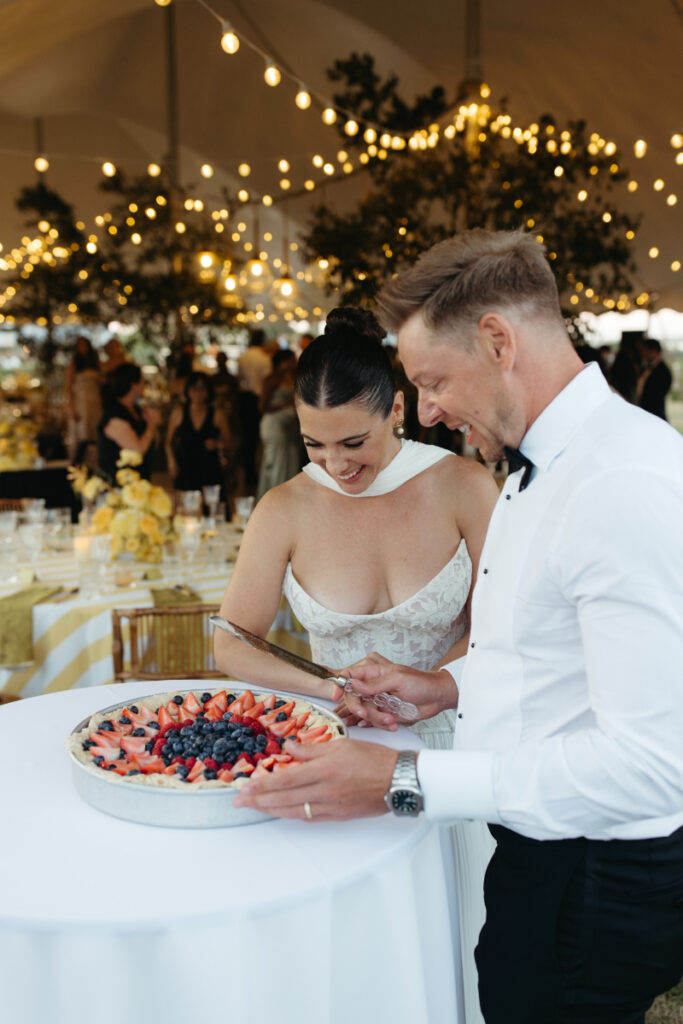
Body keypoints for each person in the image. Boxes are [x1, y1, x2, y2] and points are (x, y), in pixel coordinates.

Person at [232, 231, 683, 1024]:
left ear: (498, 342)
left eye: (432, 381)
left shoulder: (618, 482)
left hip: (592, 875)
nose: (429, 411)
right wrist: (442, 686)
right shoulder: (535, 470)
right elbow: (540, 655)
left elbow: (651, 768)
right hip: (538, 857)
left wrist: (405, 782)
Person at [215, 307, 499, 1022]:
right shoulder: (282, 508)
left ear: (397, 408)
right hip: (337, 749)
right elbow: (231, 641)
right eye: (314, 444)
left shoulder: (465, 485)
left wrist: (436, 686)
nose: (336, 464)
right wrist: (322, 684)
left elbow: (509, 624)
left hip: (460, 745)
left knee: (463, 947)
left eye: (354, 441)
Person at [165, 371, 231, 494]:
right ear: (188, 390)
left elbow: (229, 444)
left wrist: (217, 444)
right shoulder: (178, 413)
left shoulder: (217, 415)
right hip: (185, 468)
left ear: (208, 391)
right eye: (194, 388)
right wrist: (171, 461)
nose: (198, 392)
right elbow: (168, 442)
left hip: (209, 470)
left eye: (202, 388)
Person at [97, 362, 160, 482]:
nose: (144, 386)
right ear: (133, 385)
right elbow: (137, 451)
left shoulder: (136, 411)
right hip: (119, 487)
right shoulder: (114, 416)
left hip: (140, 482)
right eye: (142, 382)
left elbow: (152, 445)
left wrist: (151, 424)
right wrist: (151, 426)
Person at [255, 348, 300, 499]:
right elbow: (262, 407)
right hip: (274, 424)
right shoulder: (271, 380)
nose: (293, 363)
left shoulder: (293, 377)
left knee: (290, 461)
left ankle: (288, 500)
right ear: (282, 363)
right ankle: (274, 499)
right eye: (290, 360)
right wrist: (285, 404)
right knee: (277, 463)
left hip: (290, 426)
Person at [237, 330, 272, 490]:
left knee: (247, 438)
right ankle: (256, 474)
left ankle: (249, 473)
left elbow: (241, 380)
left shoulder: (243, 358)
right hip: (258, 399)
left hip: (245, 399)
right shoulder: (264, 358)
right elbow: (267, 383)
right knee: (258, 438)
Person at [65, 335, 102, 460]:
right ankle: (78, 464)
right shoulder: (73, 365)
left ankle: (94, 463)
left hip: (95, 403)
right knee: (83, 436)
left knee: (95, 434)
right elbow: (68, 387)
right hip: (81, 404)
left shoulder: (96, 364)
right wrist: (71, 408)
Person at [636, 338, 673, 420]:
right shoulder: (645, 367)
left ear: (653, 350)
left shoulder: (663, 371)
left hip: (655, 413)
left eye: (644, 351)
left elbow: (659, 394)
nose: (642, 354)